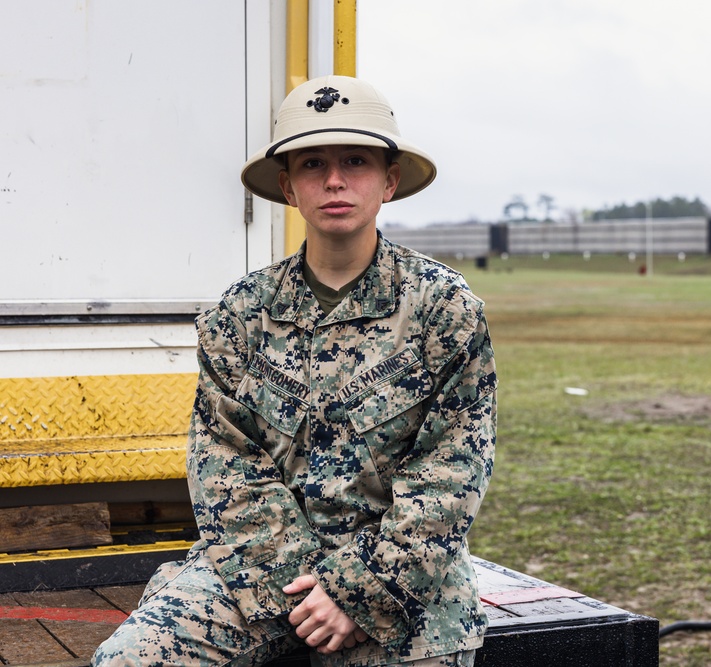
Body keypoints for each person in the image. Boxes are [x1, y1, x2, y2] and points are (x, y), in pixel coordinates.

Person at [93, 75, 497, 667]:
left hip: (399, 575)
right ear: (287, 187)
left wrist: (358, 591)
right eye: (312, 164)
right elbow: (225, 467)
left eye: (355, 161)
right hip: (259, 567)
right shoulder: (239, 315)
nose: (334, 180)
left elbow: (451, 470)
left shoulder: (443, 308)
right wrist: (316, 591)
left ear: (388, 180)